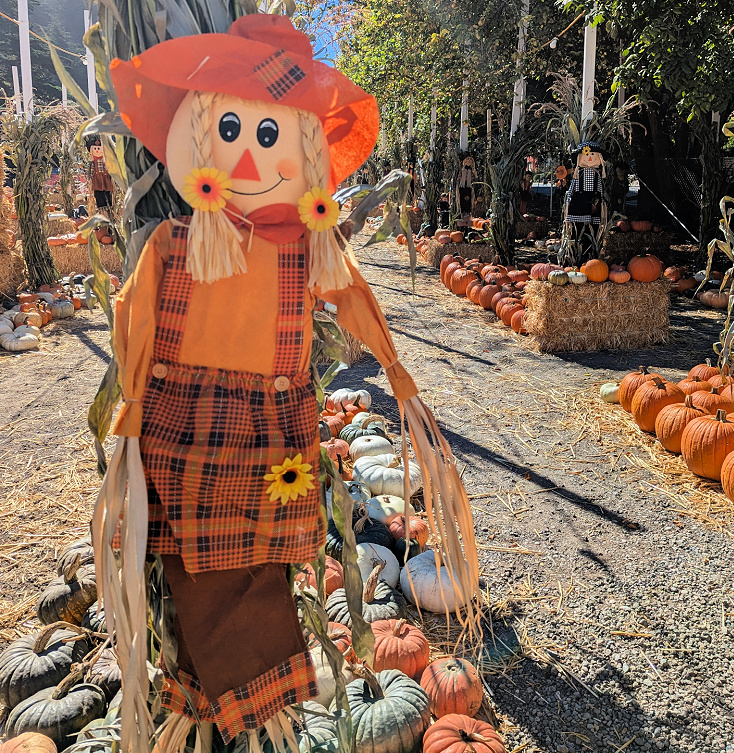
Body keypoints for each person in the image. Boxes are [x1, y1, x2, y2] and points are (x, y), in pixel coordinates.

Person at [98, 15, 479, 752]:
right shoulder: (175, 246)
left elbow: (356, 299)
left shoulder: (301, 252)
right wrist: (128, 422)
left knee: (258, 572)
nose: (248, 154)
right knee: (201, 578)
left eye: (270, 136)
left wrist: (399, 374)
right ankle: (222, 712)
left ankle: (216, 715)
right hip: (180, 433)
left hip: (272, 438)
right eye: (232, 128)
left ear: (302, 151)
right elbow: (133, 323)